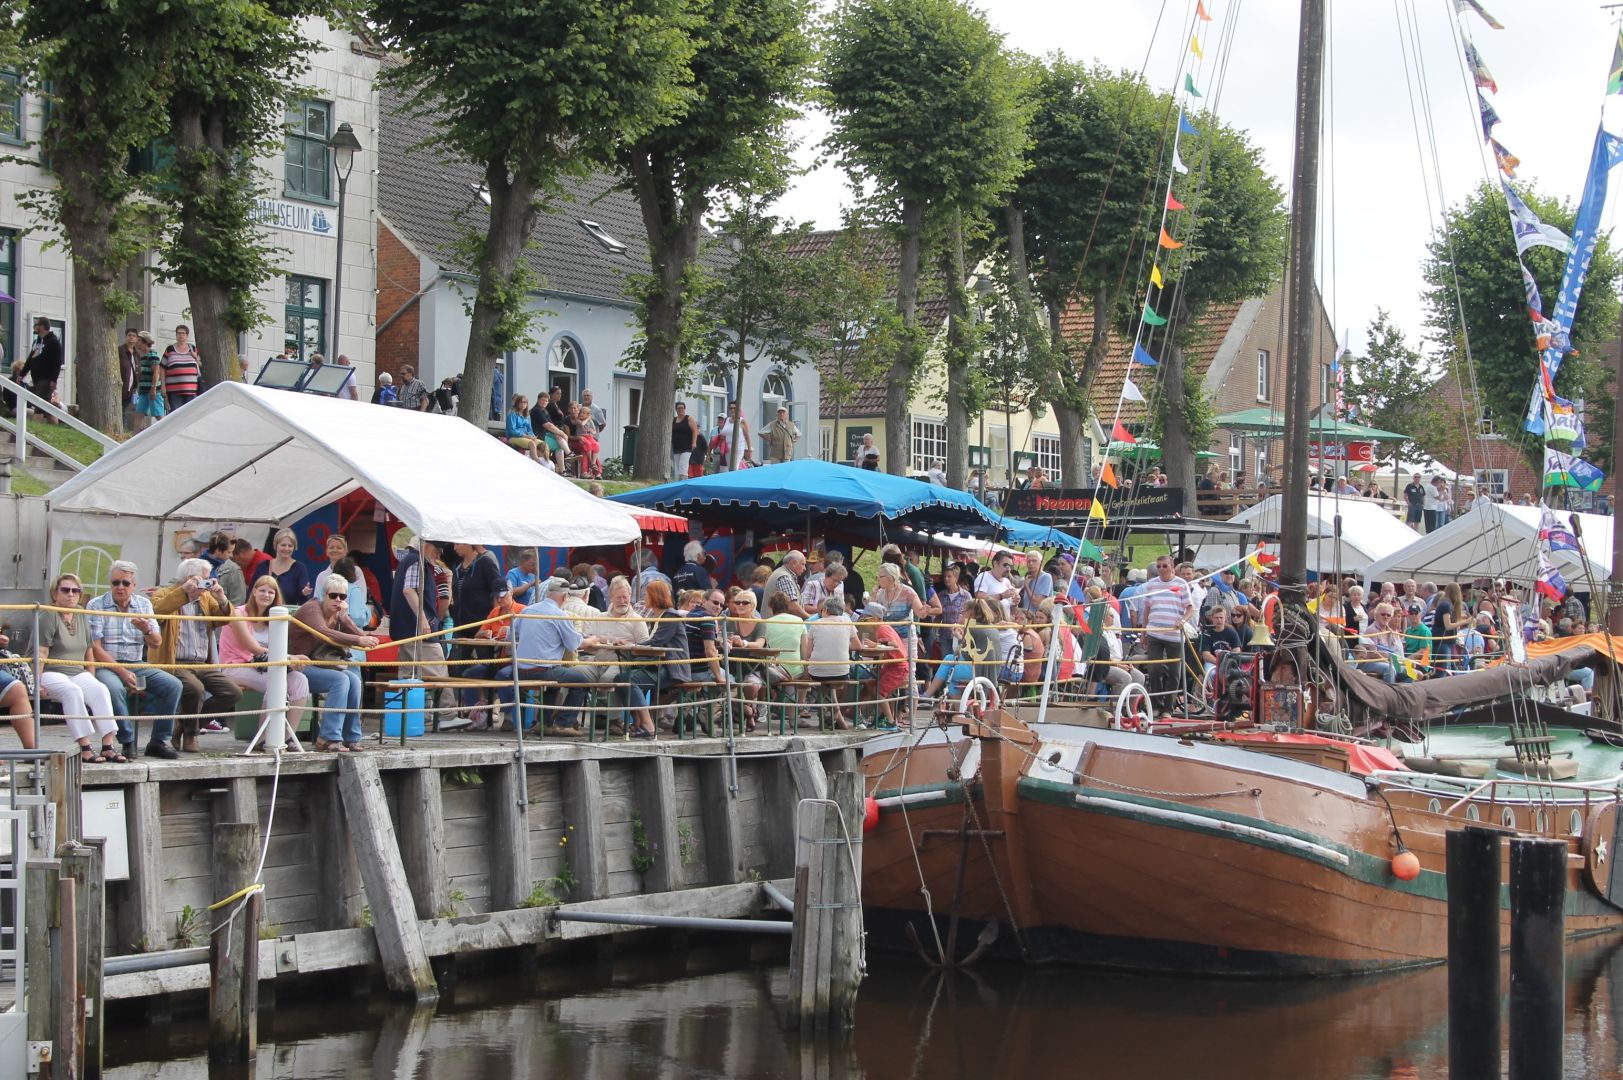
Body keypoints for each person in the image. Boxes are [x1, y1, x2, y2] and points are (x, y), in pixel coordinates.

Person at [87, 560, 185, 759]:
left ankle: (158, 741)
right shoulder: (96, 605)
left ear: (133, 586)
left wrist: (146, 629)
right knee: (113, 689)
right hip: (107, 665)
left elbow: (156, 642)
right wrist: (122, 672)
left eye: (125, 583)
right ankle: (127, 740)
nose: (120, 587)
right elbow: (96, 648)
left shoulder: (143, 604)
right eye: (115, 583)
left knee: (174, 685)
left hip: (138, 664)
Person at [150, 558, 242, 748]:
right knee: (196, 688)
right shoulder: (165, 594)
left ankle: (184, 725)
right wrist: (185, 592)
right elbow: (158, 610)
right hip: (174, 661)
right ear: (190, 578)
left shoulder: (206, 598)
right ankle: (191, 735)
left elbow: (226, 619)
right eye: (204, 579)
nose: (207, 584)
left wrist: (222, 598)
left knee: (232, 692)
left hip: (201, 662)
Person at [38, 573, 123, 762]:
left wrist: (91, 676)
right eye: (65, 590)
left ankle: (108, 745)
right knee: (72, 691)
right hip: (51, 671)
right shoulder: (49, 613)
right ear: (55, 593)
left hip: (77, 671)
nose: (71, 594)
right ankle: (85, 746)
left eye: (75, 591)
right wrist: (36, 682)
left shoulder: (80, 613)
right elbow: (41, 652)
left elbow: (89, 651)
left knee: (100, 689)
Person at [220, 576, 311, 751]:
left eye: (271, 592)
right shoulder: (238, 614)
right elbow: (252, 648)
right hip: (236, 666)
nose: (266, 595)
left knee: (300, 680)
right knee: (277, 682)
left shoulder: (275, 618)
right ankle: (262, 738)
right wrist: (291, 657)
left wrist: (292, 659)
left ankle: (286, 736)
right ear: (253, 592)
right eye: (262, 590)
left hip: (262, 667)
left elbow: (277, 650)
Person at [288, 577, 379, 752]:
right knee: (340, 680)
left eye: (342, 597)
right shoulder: (312, 609)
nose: (338, 600)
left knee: (353, 679)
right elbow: (325, 633)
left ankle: (351, 737)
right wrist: (359, 638)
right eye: (333, 595)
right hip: (296, 665)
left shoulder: (337, 613)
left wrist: (344, 617)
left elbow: (360, 636)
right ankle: (328, 737)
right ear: (324, 595)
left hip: (318, 664)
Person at [388, 539, 464, 733]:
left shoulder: (407, 561)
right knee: (438, 669)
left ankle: (413, 716)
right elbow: (409, 590)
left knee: (409, 675)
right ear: (428, 546)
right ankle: (446, 715)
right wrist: (423, 619)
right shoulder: (417, 560)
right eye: (437, 551)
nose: (438, 556)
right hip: (418, 630)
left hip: (404, 630)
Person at [580, 577, 648, 735]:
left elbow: (645, 648)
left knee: (610, 678)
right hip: (596, 661)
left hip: (623, 662)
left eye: (625, 597)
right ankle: (563, 721)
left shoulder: (638, 621)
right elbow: (588, 644)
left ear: (630, 596)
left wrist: (628, 647)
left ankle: (613, 719)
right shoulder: (599, 617)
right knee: (572, 674)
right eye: (619, 597)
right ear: (610, 597)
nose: (623, 601)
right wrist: (606, 641)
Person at [624, 580, 690, 739]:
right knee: (620, 678)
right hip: (659, 666)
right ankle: (639, 722)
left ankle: (647, 724)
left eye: (646, 594)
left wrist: (631, 645)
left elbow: (656, 642)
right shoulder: (658, 616)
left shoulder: (670, 617)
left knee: (628, 680)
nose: (644, 598)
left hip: (672, 670)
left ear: (655, 596)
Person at [1137, 556, 1193, 716]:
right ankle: (1156, 705)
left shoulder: (1181, 584)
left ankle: (1168, 707)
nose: (1161, 569)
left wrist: (1183, 620)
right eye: (1159, 566)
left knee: (1174, 673)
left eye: (1164, 566)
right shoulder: (1151, 585)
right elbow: (1147, 609)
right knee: (1154, 670)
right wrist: (1144, 632)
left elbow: (1190, 608)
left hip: (1174, 635)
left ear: (1172, 567)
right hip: (1155, 632)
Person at [803, 594, 858, 728]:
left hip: (817, 672)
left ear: (825, 610)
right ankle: (838, 719)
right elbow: (858, 646)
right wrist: (843, 645)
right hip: (842, 672)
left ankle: (835, 718)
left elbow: (808, 653)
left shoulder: (815, 624)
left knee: (825, 680)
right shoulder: (847, 621)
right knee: (830, 680)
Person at [13, 317, 64, 421]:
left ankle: (35, 431)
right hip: (37, 379)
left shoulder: (53, 342)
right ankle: (52, 426)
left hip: (46, 379)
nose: (35, 327)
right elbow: (30, 360)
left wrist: (53, 380)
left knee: (39, 406)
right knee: (47, 407)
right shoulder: (38, 342)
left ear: (42, 326)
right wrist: (22, 374)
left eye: (37, 325)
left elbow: (57, 363)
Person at [161, 324, 203, 410]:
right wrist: (163, 386)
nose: (181, 335)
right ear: (176, 335)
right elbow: (162, 368)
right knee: (176, 415)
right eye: (179, 333)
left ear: (187, 336)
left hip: (191, 390)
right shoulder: (170, 349)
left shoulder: (193, 348)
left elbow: (200, 365)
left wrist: (195, 357)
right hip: (174, 390)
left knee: (190, 414)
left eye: (183, 333)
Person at [130, 331, 166, 430]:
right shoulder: (141, 356)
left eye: (139, 341)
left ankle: (168, 432)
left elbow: (156, 372)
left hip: (153, 391)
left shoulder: (152, 355)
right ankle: (136, 439)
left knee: (158, 415)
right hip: (143, 391)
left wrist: (153, 388)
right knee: (139, 414)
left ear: (145, 342)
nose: (137, 343)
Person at [267, 527, 311, 603]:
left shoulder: (299, 568)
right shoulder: (263, 566)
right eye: (283, 545)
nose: (286, 549)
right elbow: (252, 593)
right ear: (276, 545)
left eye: (290, 546)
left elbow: (303, 602)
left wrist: (304, 593)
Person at [764, 550, 810, 618]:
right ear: (794, 563)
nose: (804, 568)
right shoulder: (784, 577)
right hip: (779, 625)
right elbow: (791, 605)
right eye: (803, 564)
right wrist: (810, 619)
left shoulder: (783, 574)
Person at [207, 532, 247, 605]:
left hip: (222, 615)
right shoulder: (198, 564)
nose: (231, 555)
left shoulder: (233, 569)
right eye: (229, 552)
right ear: (218, 550)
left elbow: (238, 601)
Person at [506, 393, 544, 460]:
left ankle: (544, 463)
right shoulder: (512, 414)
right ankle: (536, 462)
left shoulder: (527, 415)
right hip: (514, 437)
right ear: (517, 403)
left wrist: (532, 436)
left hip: (525, 437)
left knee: (543, 444)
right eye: (520, 402)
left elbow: (529, 430)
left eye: (524, 402)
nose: (523, 404)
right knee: (532, 443)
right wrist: (526, 436)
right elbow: (512, 431)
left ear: (527, 404)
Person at [671, 401, 702, 479]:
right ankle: (679, 482)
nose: (680, 410)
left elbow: (695, 430)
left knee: (683, 466)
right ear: (676, 410)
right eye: (678, 408)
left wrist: (694, 442)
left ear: (685, 409)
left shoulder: (689, 418)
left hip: (686, 447)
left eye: (682, 408)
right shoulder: (674, 420)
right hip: (676, 447)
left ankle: (683, 483)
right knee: (678, 467)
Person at [118, 328, 140, 421]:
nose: (131, 337)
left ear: (137, 339)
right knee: (120, 410)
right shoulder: (120, 350)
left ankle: (124, 430)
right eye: (129, 335)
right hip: (121, 385)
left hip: (131, 388)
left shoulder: (136, 354)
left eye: (134, 336)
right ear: (126, 337)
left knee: (126, 410)